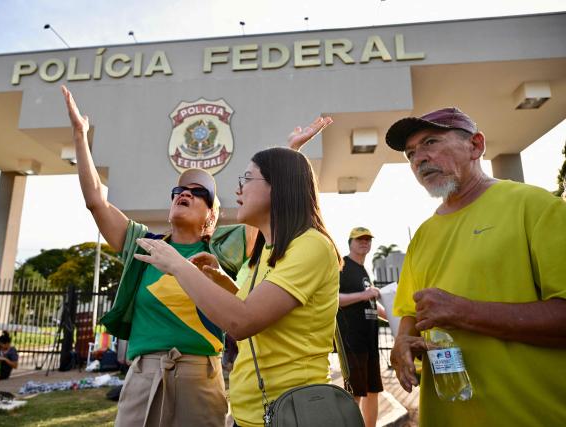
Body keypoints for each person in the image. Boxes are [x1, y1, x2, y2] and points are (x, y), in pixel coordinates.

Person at [60, 86, 331, 427]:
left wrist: (291, 152)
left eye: (199, 192)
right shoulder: (146, 246)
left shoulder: (226, 249)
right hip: (143, 375)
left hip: (200, 377)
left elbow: (273, 204)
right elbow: (96, 200)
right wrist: (80, 136)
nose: (185, 193)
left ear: (212, 217)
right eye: (179, 190)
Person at [136, 146, 342, 427]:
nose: (238, 190)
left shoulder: (311, 245)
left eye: (247, 179)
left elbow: (242, 321)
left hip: (291, 412)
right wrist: (220, 277)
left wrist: (177, 264)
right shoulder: (269, 250)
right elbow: (255, 308)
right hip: (251, 414)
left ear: (278, 186)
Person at [385, 107, 566, 426]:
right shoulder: (423, 235)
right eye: (411, 153)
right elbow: (412, 312)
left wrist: (464, 312)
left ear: (476, 146)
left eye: (430, 142)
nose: (419, 159)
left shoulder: (535, 207)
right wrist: (402, 343)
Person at [338, 226, 386, 427]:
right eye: (360, 239)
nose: (364, 242)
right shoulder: (343, 266)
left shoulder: (364, 270)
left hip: (370, 341)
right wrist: (365, 295)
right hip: (352, 340)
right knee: (354, 393)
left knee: (373, 390)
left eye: (367, 239)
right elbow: (334, 299)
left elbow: (372, 303)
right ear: (350, 242)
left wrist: (398, 318)